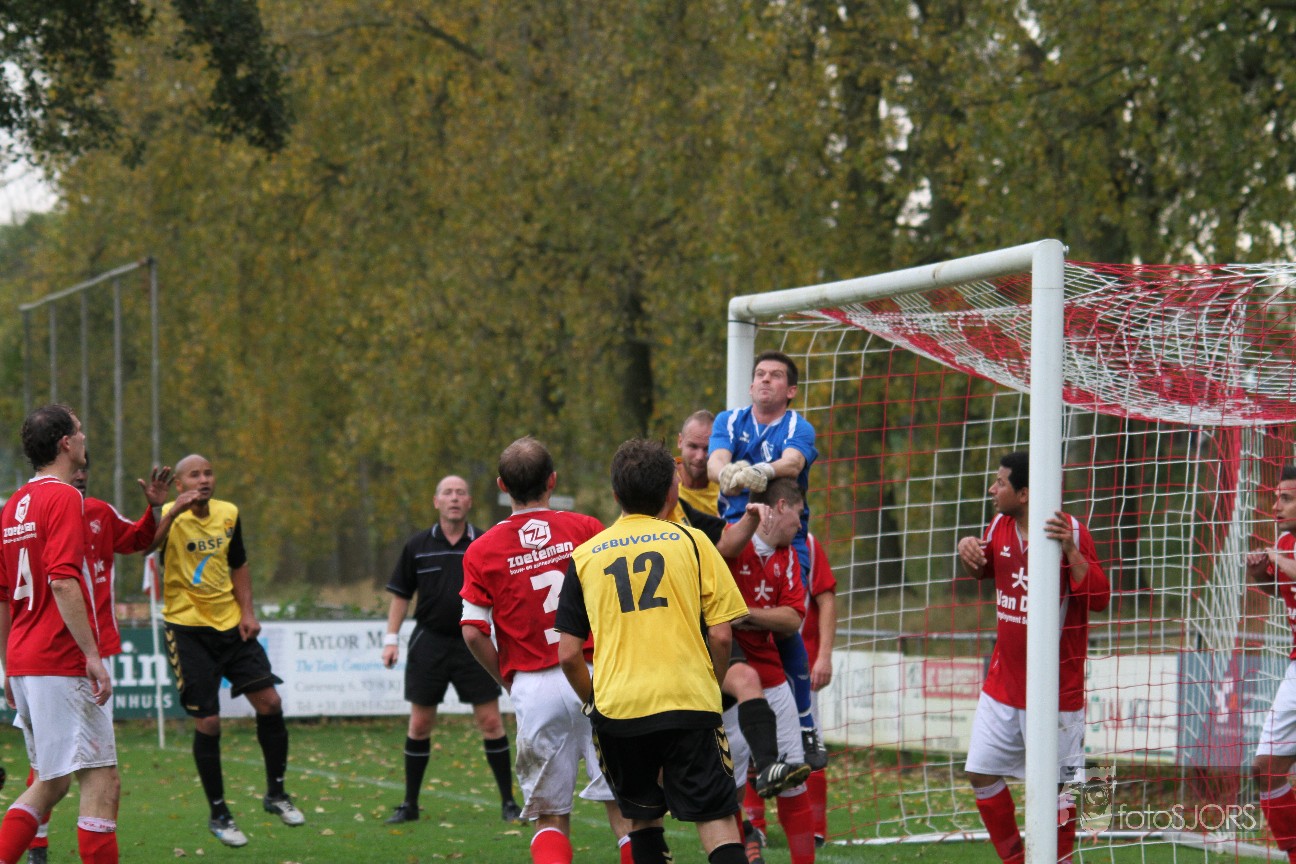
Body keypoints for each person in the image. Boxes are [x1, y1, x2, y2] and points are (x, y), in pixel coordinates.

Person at [554, 438, 752, 864]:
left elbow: (568, 654)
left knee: (642, 820)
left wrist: (594, 704)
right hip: (689, 701)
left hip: (619, 709)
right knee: (718, 821)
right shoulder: (694, 542)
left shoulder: (584, 557)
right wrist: (711, 688)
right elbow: (722, 636)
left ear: (615, 494)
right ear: (671, 491)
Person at [459, 437, 630, 864]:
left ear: (502, 486)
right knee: (626, 807)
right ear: (552, 481)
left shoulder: (481, 550)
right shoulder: (586, 528)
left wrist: (508, 679)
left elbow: (473, 631)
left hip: (535, 686)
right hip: (596, 674)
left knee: (550, 816)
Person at [955, 451, 1109, 864]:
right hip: (1003, 684)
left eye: (1000, 482)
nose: (992, 488)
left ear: (1024, 493)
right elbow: (983, 569)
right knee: (980, 772)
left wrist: (1070, 551)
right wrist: (968, 550)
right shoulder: (999, 525)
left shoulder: (1069, 529)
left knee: (1061, 788)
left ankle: (1060, 859)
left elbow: (1100, 599)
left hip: (1057, 689)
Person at [25, 457, 174, 864]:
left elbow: (139, 540)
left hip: (88, 650)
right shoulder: (41, 511)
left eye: (85, 468)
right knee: (75, 771)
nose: (81, 473)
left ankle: (34, 845)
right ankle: (37, 844)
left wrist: (155, 509)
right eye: (75, 464)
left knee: (75, 765)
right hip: (58, 652)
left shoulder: (98, 513)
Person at [154, 454, 304, 848]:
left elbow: (239, 564)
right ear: (179, 484)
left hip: (231, 625)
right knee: (209, 722)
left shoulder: (229, 513)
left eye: (208, 473)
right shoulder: (168, 514)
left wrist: (248, 611)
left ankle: (276, 794)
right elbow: (145, 546)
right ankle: (219, 813)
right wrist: (168, 511)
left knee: (270, 702)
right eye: (194, 475)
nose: (203, 480)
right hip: (187, 630)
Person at [0, 404, 119, 864]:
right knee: (102, 782)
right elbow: (63, 580)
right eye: (80, 431)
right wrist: (92, 654)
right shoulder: (65, 497)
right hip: (60, 660)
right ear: (66, 443)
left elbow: (4, 597)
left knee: (52, 783)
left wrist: (8, 667)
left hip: (26, 661)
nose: (85, 438)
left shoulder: (13, 506)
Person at [380, 474, 521, 825]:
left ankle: (509, 802)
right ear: (437, 501)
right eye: (448, 492)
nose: (454, 498)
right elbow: (400, 594)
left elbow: (504, 593)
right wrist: (390, 639)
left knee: (491, 722)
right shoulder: (417, 545)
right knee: (420, 724)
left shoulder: (485, 542)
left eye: (461, 492)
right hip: (429, 642)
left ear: (469, 502)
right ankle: (410, 805)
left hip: (474, 641)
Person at [708, 351, 825, 768]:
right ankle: (717, 705)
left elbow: (793, 463)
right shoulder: (730, 420)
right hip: (736, 535)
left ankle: (806, 726)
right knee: (716, 620)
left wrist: (763, 472)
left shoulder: (797, 426)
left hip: (781, 539)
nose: (764, 380)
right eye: (759, 374)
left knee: (788, 622)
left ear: (790, 390)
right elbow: (716, 461)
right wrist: (726, 473)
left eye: (775, 376)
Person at [721, 477, 818, 864]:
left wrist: (746, 614)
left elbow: (793, 618)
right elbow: (722, 552)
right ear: (780, 507)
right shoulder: (735, 540)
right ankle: (747, 843)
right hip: (727, 678)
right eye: (798, 513)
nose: (801, 523)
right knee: (727, 788)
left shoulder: (788, 556)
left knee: (794, 777)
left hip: (772, 678)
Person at [744, 530, 837, 852]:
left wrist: (824, 655)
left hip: (800, 668)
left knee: (807, 747)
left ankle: (816, 830)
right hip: (751, 665)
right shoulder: (735, 541)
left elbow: (826, 597)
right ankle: (754, 827)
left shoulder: (806, 542)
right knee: (749, 747)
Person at [1248, 465, 1296, 862]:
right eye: (1277, 497)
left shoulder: (1283, 548)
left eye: (1287, 498)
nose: (1276, 505)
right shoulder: (1284, 539)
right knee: (1265, 768)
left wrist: (1277, 557)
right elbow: (1280, 587)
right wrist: (1257, 572)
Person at [672, 410, 722, 519]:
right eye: (693, 446)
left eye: (707, 449)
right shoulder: (663, 483)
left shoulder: (726, 492)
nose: (699, 457)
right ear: (680, 441)